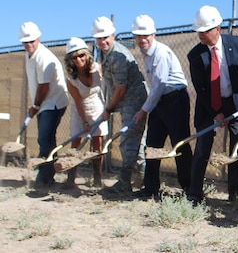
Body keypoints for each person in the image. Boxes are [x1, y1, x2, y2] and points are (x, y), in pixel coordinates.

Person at [186, 6, 238, 205]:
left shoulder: (236, 43)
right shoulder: (195, 55)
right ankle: (194, 193)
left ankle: (235, 192)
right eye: (198, 31)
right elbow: (201, 89)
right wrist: (216, 113)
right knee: (202, 147)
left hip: (236, 103)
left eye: (204, 31)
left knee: (237, 146)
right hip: (208, 106)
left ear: (217, 29)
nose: (200, 35)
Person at [130, 15, 193, 198]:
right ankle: (151, 188)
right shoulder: (145, 52)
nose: (142, 40)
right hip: (159, 100)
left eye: (146, 35)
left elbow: (159, 85)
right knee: (152, 144)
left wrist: (144, 110)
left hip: (175, 100)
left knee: (179, 144)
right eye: (138, 36)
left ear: (153, 34)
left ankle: (189, 189)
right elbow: (156, 89)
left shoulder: (160, 53)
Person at [92, 16, 148, 196]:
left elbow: (121, 88)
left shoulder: (118, 55)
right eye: (99, 38)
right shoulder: (103, 53)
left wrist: (108, 109)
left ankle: (125, 182)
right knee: (135, 141)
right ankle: (142, 178)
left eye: (105, 37)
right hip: (125, 99)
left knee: (128, 138)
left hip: (134, 98)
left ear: (113, 35)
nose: (102, 41)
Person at [19, 22, 69, 188]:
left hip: (53, 103)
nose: (29, 44)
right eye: (26, 42)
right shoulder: (29, 55)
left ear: (38, 38)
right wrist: (36, 105)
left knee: (44, 138)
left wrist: (35, 105)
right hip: (43, 103)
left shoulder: (44, 57)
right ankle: (48, 175)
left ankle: (45, 177)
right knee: (47, 139)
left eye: (32, 41)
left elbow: (44, 86)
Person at [63, 37, 109, 188]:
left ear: (86, 55)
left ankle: (97, 178)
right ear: (70, 59)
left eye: (81, 55)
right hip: (80, 110)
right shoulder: (71, 78)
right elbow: (77, 101)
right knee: (76, 143)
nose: (78, 59)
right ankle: (71, 178)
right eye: (74, 57)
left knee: (97, 144)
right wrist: (84, 122)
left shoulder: (97, 68)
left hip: (97, 108)